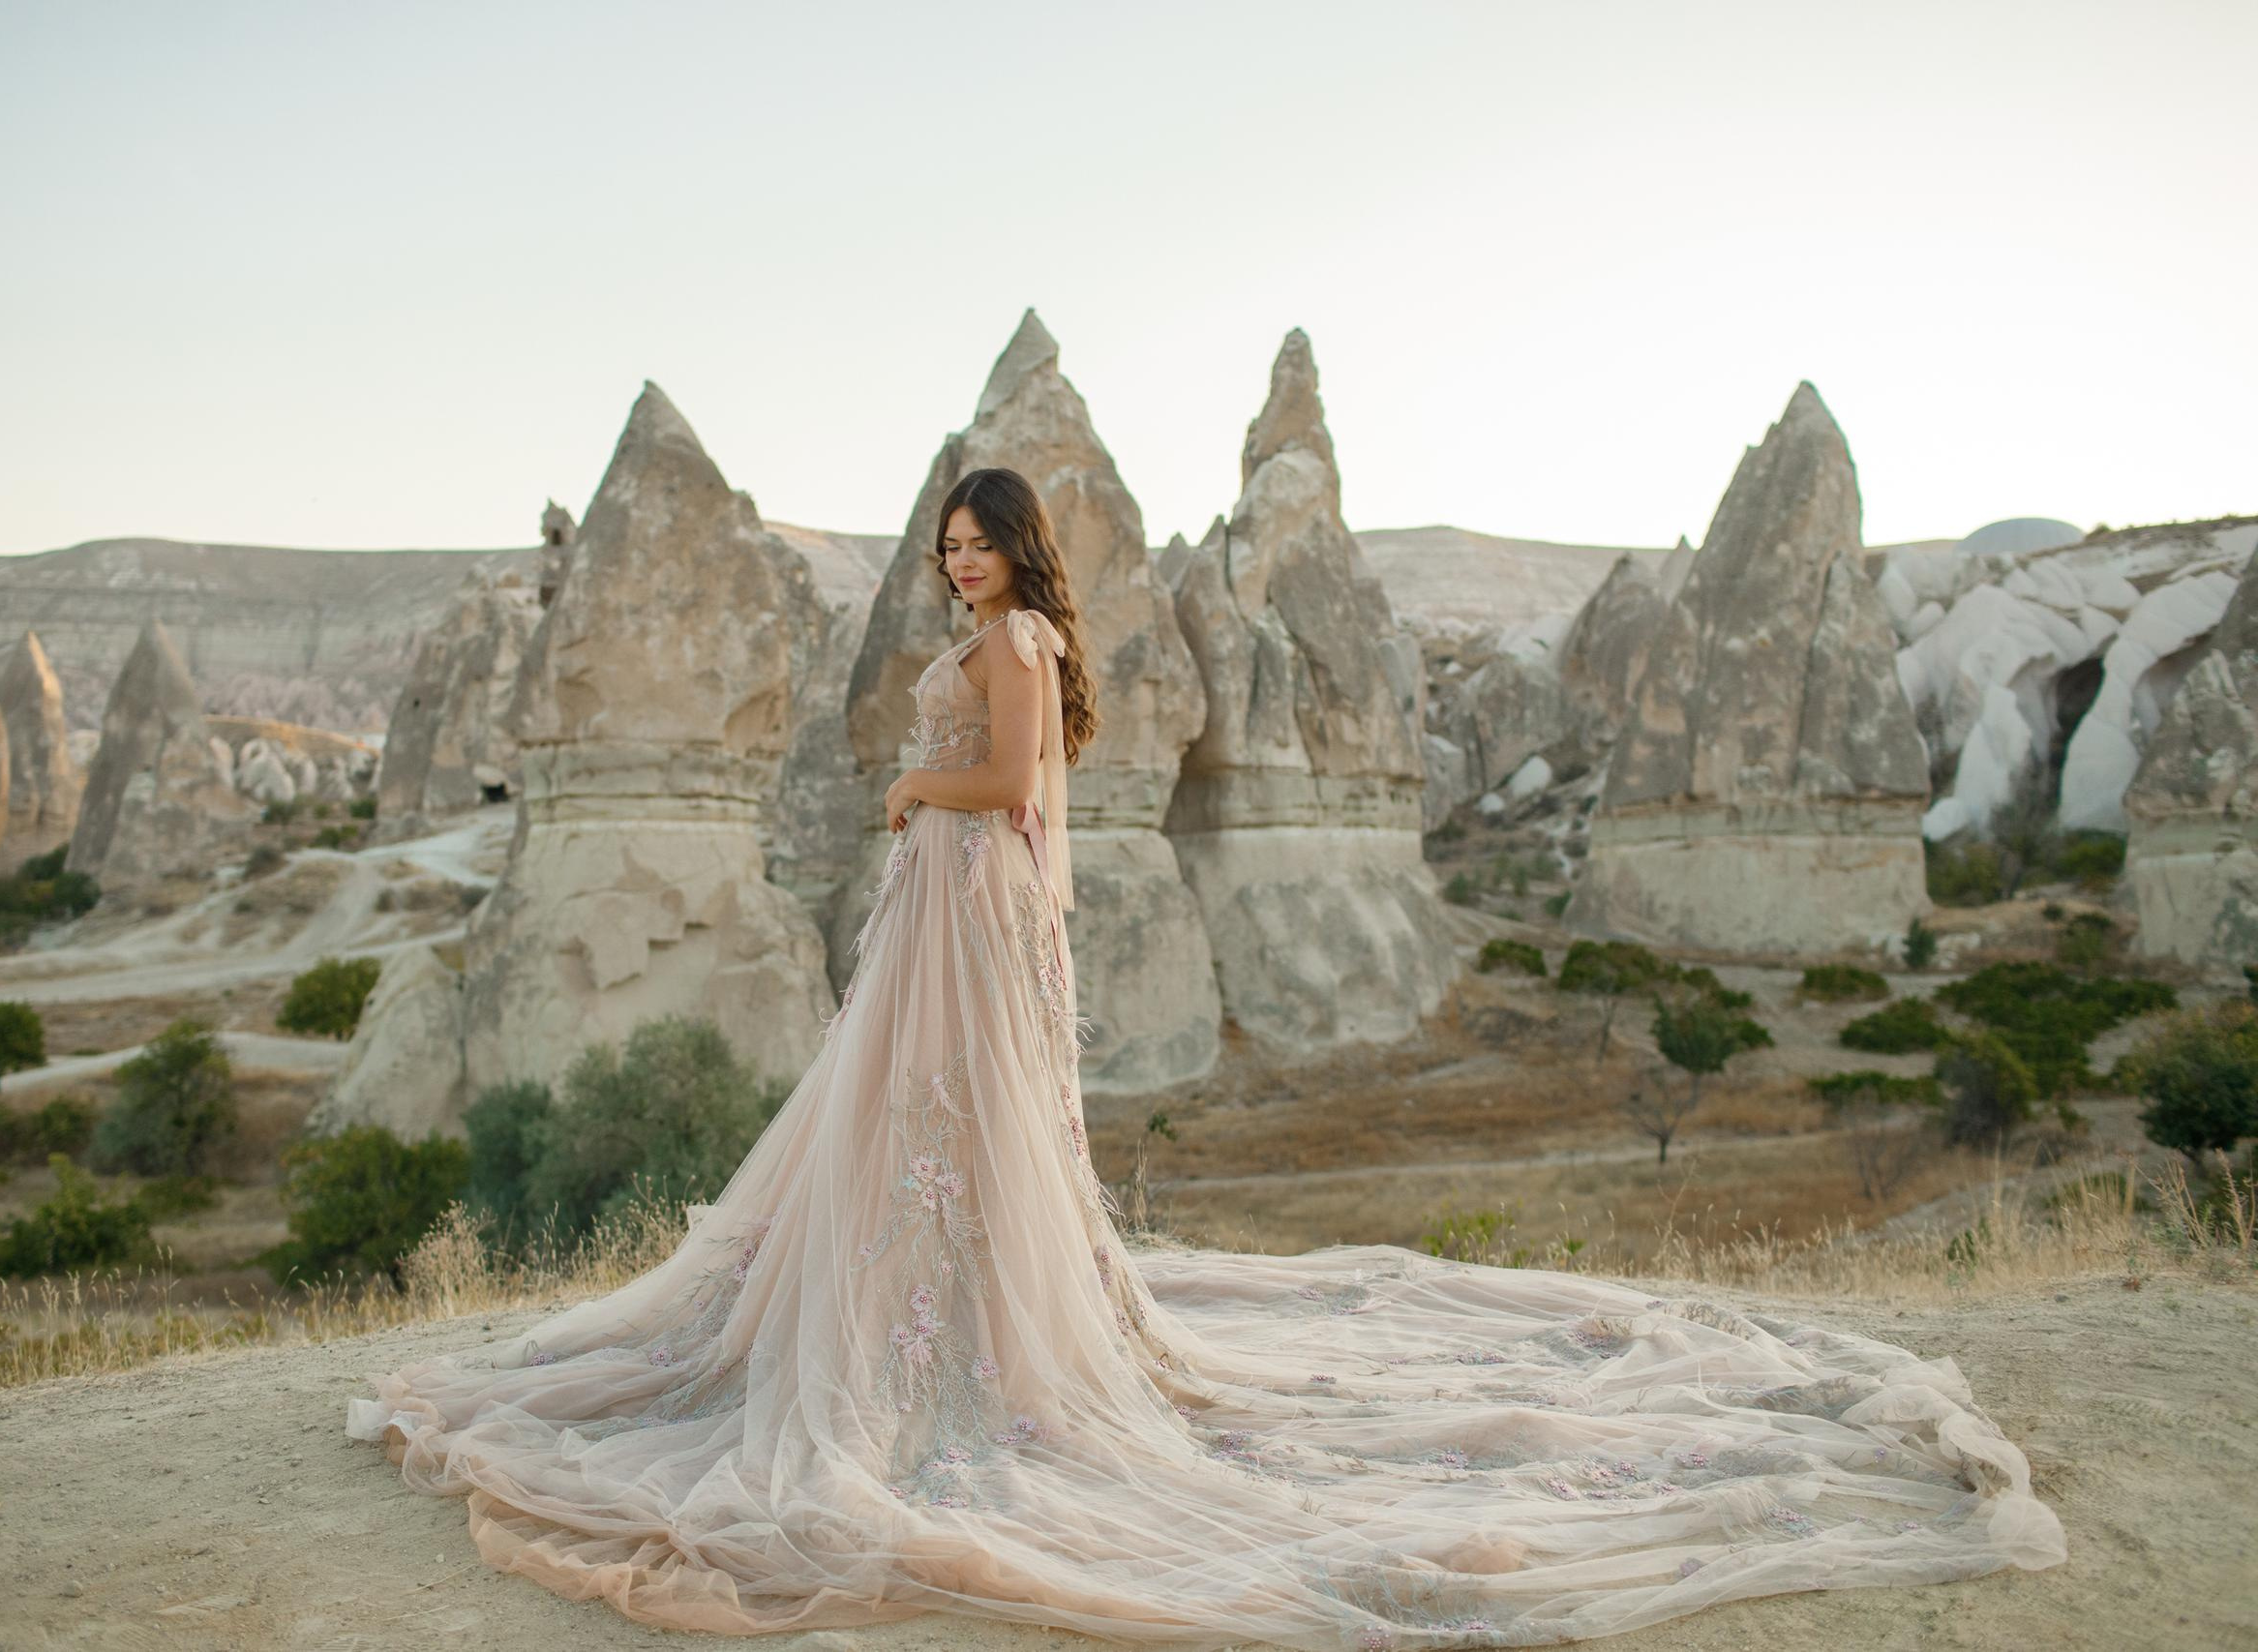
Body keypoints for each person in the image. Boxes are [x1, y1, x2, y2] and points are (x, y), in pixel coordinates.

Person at [346, 466, 2064, 1648]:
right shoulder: (994, 637)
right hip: (949, 908)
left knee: (951, 1126)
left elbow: (1010, 786)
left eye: (979, 542)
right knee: (929, 1133)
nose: (959, 563)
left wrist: (909, 788)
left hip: (963, 891)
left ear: (1023, 553)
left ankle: (956, 1344)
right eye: (946, 545)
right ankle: (939, 1317)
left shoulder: (1020, 647)